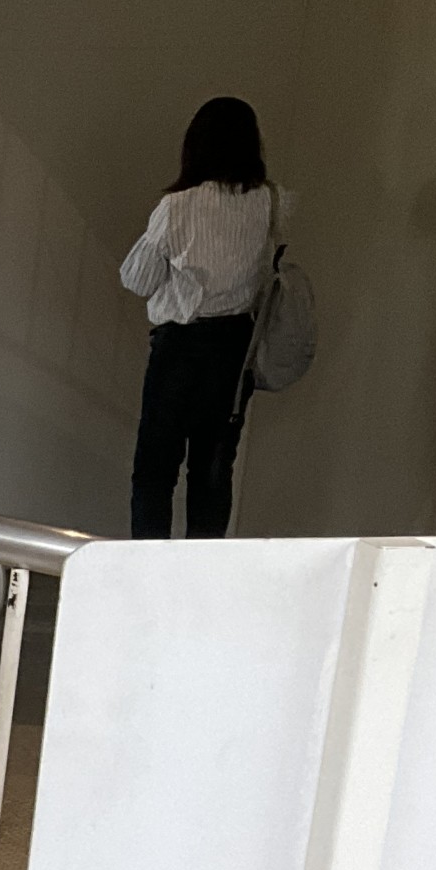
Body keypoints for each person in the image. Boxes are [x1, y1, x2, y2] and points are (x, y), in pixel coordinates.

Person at [119, 97, 279, 540]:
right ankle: (203, 574)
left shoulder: (178, 207)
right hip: (236, 347)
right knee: (212, 469)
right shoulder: (268, 202)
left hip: (182, 346)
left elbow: (137, 278)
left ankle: (149, 572)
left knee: (155, 469)